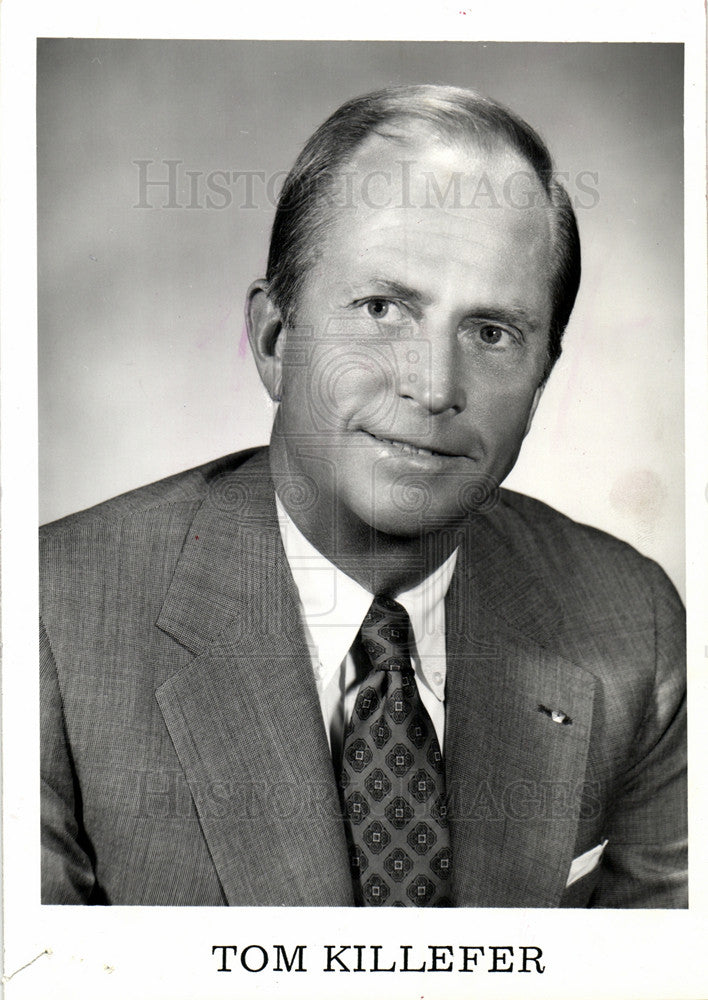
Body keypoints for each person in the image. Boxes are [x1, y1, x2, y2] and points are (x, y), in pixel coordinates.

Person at [40, 84, 687, 907]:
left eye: (492, 333)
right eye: (383, 309)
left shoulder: (637, 628)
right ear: (276, 341)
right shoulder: (49, 620)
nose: (435, 386)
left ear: (542, 377)